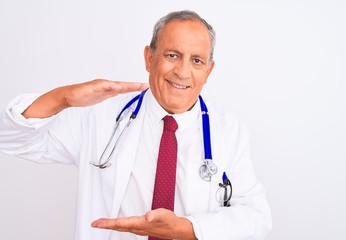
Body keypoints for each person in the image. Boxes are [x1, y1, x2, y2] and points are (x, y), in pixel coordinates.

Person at [0, 10, 271, 240]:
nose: (183, 71)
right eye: (173, 55)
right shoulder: (99, 115)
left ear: (208, 71)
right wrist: (63, 98)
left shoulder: (228, 131)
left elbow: (257, 217)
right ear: (149, 58)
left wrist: (186, 229)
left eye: (197, 60)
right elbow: (9, 138)